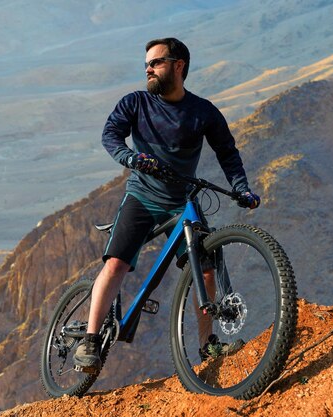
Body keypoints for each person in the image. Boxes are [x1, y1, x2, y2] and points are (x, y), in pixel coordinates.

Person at [73, 37, 260, 373]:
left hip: (181, 203)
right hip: (142, 197)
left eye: (155, 62)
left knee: (204, 269)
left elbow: (228, 153)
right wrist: (130, 157)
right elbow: (111, 135)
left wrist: (241, 188)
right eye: (146, 63)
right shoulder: (135, 103)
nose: (148, 68)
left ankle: (208, 346)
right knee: (116, 264)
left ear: (178, 66)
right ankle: (89, 340)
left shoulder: (203, 112)